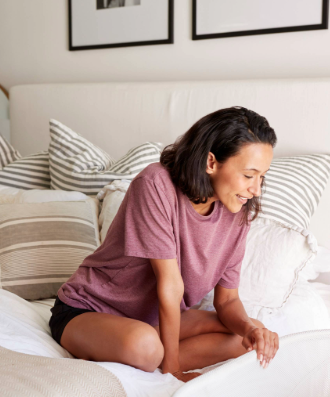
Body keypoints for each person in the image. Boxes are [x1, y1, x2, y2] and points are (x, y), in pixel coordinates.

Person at [49, 107, 281, 381]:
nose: (256, 189)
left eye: (261, 177)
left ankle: (156, 350)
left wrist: (248, 330)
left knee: (250, 336)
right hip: (89, 310)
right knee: (145, 346)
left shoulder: (237, 212)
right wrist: (173, 370)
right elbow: (170, 284)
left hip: (153, 322)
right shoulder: (156, 183)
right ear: (211, 163)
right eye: (249, 175)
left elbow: (228, 300)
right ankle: (156, 354)